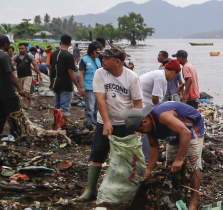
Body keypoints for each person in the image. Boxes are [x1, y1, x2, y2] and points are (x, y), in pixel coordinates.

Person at [78, 48, 143, 201]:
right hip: (104, 122)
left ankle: (125, 191)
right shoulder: (100, 73)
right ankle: (90, 190)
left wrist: (136, 127)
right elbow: (100, 100)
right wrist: (107, 122)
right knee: (97, 154)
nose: (103, 60)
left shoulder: (132, 77)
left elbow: (138, 104)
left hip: (125, 124)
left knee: (126, 157)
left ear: (117, 62)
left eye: (107, 58)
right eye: (103, 57)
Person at [127, 101, 205, 210]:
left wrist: (179, 159)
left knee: (193, 163)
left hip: (191, 127)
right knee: (170, 165)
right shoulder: (149, 127)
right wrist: (149, 170)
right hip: (173, 131)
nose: (142, 133)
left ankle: (193, 202)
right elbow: (154, 146)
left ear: (144, 121)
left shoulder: (162, 115)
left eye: (141, 130)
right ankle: (177, 195)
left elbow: (186, 133)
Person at [138, 60, 182, 158]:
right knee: (146, 130)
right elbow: (155, 97)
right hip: (142, 105)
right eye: (175, 76)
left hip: (143, 104)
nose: (174, 78)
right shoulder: (160, 77)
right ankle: (146, 157)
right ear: (173, 72)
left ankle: (145, 155)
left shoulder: (159, 74)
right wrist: (158, 112)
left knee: (144, 130)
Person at [0, 35, 27, 137]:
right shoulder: (4, 56)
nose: (9, 46)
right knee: (14, 113)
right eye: (9, 44)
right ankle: (15, 133)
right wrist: (19, 88)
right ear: (5, 44)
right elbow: (10, 74)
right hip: (8, 90)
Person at [51, 34, 83, 117]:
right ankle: (62, 126)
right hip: (65, 84)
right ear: (70, 44)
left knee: (56, 107)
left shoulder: (53, 53)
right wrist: (78, 86)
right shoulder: (68, 56)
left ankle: (56, 126)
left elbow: (51, 69)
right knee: (64, 108)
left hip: (56, 83)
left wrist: (51, 83)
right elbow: (71, 72)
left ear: (60, 42)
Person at [79, 42, 103, 128]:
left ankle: (95, 123)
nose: (98, 54)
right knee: (90, 108)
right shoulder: (84, 60)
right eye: (97, 52)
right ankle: (88, 124)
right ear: (92, 51)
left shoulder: (98, 60)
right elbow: (81, 74)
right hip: (89, 87)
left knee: (97, 108)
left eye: (99, 52)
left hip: (98, 88)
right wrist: (81, 87)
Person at [13, 43, 41, 109]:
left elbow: (35, 65)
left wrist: (39, 74)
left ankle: (24, 104)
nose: (21, 50)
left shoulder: (29, 56)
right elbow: (12, 64)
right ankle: (30, 101)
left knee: (26, 90)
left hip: (28, 76)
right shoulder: (16, 57)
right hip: (19, 76)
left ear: (26, 49)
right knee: (22, 92)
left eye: (22, 48)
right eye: (20, 48)